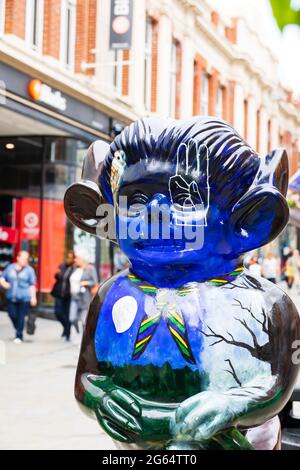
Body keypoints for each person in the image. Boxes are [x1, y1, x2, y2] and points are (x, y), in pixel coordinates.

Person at [0, 251, 37, 344]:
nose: (25, 260)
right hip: (11, 296)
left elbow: (32, 285)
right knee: (12, 314)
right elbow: (2, 277)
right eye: (23, 258)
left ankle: (19, 335)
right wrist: (4, 283)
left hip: (24, 298)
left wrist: (33, 297)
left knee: (21, 316)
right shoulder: (10, 268)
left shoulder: (29, 270)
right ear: (18, 258)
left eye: (26, 259)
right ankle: (19, 327)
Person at [69, 249, 98, 339]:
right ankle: (78, 332)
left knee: (83, 321)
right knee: (72, 318)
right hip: (74, 297)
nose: (75, 260)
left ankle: (85, 339)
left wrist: (86, 283)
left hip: (85, 298)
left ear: (82, 259)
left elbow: (95, 282)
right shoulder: (74, 269)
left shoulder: (90, 269)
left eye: (77, 258)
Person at [51, 251, 75, 341]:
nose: (68, 259)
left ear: (73, 259)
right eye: (67, 257)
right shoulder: (62, 266)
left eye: (70, 257)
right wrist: (57, 273)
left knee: (67, 314)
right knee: (58, 313)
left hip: (69, 295)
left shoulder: (75, 269)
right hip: (59, 293)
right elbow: (57, 275)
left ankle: (67, 333)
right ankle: (65, 327)